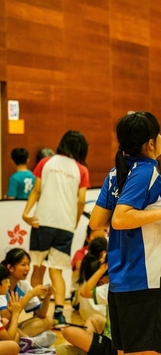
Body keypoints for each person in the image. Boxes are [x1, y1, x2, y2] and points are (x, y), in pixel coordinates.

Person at [89, 110, 161, 355]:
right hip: (145, 278)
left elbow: (97, 221)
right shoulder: (145, 171)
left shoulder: (115, 173)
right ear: (151, 143)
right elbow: (119, 218)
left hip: (122, 280)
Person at [22, 130, 90, 327]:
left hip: (42, 222)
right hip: (65, 226)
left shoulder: (46, 162)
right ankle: (59, 313)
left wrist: (26, 213)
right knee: (57, 271)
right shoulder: (81, 170)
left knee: (38, 269)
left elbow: (36, 191)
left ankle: (37, 312)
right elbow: (81, 200)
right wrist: (74, 222)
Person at [57, 254, 112, 355]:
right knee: (94, 319)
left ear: (101, 280)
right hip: (116, 337)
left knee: (68, 333)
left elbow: (84, 292)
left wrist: (101, 269)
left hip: (115, 344)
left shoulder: (110, 288)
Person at [0, 249, 56, 347]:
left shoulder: (24, 285)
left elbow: (41, 314)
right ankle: (30, 341)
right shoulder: (2, 289)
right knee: (7, 327)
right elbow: (6, 318)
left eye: (28, 264)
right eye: (23, 264)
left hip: (11, 327)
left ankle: (25, 340)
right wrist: (30, 294)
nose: (27, 268)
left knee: (49, 320)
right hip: (4, 327)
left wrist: (47, 296)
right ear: (10, 267)